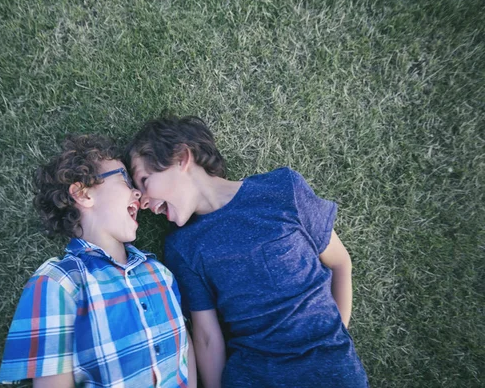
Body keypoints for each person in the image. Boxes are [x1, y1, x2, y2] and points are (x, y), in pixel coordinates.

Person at [126, 116, 369, 388]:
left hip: (332, 372)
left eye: (145, 181)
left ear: (182, 157)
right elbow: (207, 336)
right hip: (254, 375)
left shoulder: (281, 190)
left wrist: (336, 337)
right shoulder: (183, 246)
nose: (144, 202)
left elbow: (339, 263)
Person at [0, 134, 195, 388]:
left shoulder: (160, 274)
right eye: (125, 179)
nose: (138, 192)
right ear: (83, 194)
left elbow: (186, 353)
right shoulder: (57, 283)